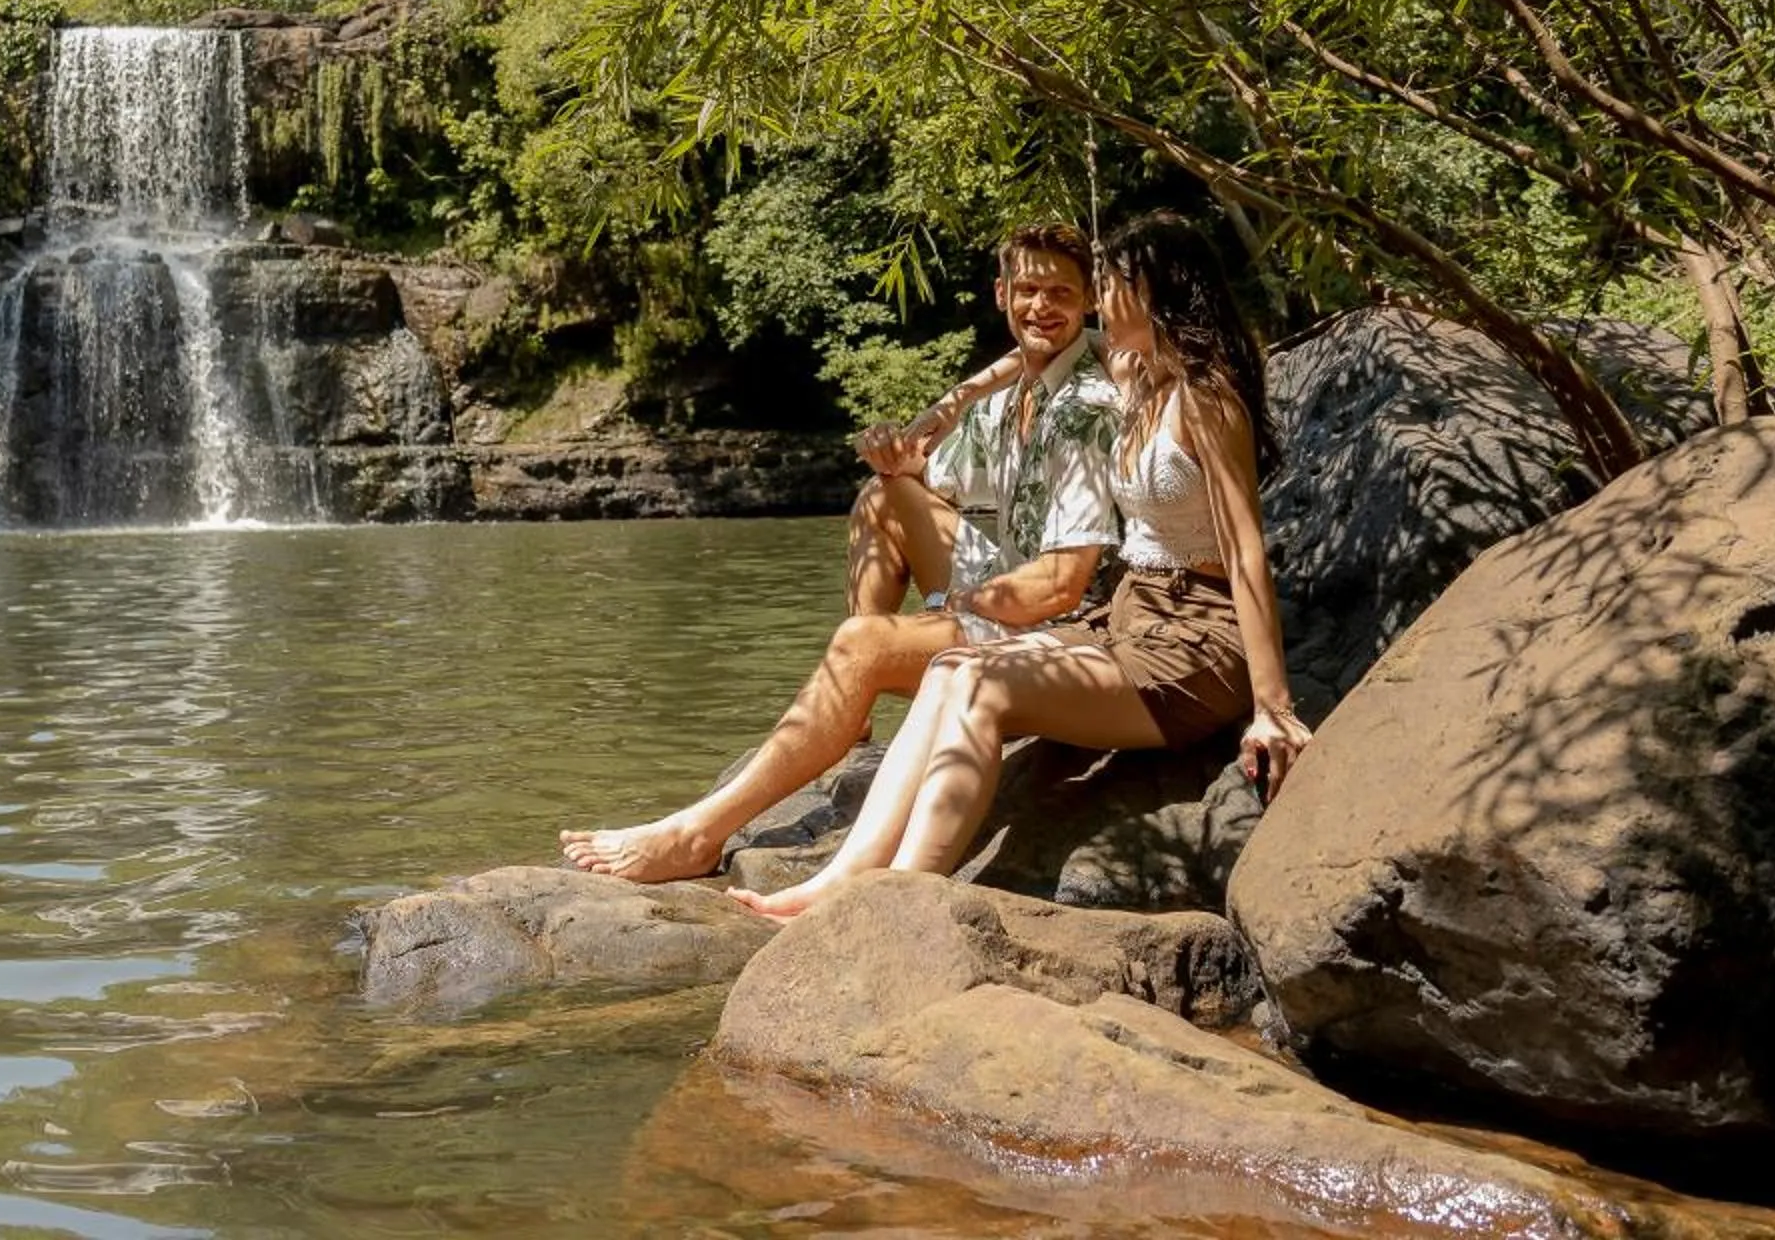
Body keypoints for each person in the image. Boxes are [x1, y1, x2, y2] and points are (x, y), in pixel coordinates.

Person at [730, 211, 1309, 919]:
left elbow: (1247, 549)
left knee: (981, 689)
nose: (1097, 299)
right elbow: (1023, 359)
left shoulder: (1207, 399)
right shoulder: (1136, 374)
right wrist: (946, 408)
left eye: (1109, 285)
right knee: (951, 669)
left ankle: (899, 898)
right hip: (1129, 618)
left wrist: (1272, 709)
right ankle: (842, 879)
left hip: (1195, 642)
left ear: (1151, 292)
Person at [559, 221, 1124, 884]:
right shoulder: (1011, 395)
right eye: (1028, 288)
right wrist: (900, 458)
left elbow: (1060, 587)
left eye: (1061, 292)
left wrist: (947, 606)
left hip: (1062, 622)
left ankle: (698, 833)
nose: (1042, 306)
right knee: (881, 496)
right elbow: (931, 481)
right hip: (1010, 581)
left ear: (1088, 302)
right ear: (1001, 294)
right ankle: (848, 724)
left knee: (861, 645)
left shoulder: (1090, 403)